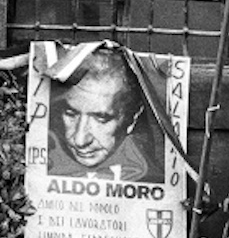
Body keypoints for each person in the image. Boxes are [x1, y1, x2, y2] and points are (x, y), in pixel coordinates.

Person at [47, 48, 164, 182]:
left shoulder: (149, 172)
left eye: (100, 119)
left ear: (132, 119)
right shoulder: (44, 160)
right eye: (70, 114)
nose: (80, 140)